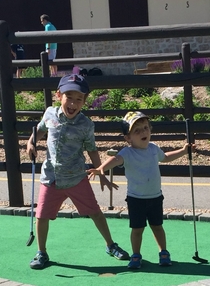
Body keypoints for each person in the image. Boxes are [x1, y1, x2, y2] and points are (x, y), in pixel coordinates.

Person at [27, 74, 129, 269]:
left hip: (76, 178)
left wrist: (100, 172)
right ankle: (42, 252)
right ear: (59, 95)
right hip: (51, 179)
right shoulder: (49, 114)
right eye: (69, 97)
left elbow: (91, 149)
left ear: (84, 101)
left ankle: (110, 245)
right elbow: (39, 130)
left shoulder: (86, 125)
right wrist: (31, 142)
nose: (73, 103)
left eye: (79, 99)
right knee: (41, 216)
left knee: (95, 212)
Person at [88, 111, 195, 270]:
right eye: (137, 131)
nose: (143, 132)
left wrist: (184, 151)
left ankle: (163, 252)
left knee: (157, 226)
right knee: (137, 229)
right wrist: (101, 168)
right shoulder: (127, 152)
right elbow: (115, 159)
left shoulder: (153, 148)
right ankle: (136, 255)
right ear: (128, 138)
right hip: (136, 199)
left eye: (145, 128)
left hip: (155, 197)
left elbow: (165, 157)